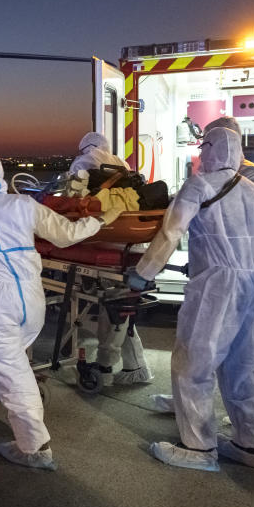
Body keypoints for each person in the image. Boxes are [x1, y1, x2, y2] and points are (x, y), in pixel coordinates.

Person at [0, 154, 125, 471]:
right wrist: (100, 220)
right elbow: (66, 234)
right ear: (4, 177)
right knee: (3, 361)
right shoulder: (23, 206)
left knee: (11, 372)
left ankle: (35, 447)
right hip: (31, 298)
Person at [128, 128, 254, 471]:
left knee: (193, 364)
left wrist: (144, 272)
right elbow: (242, 236)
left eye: (203, 147)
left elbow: (170, 232)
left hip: (218, 286)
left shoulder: (200, 185)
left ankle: (199, 448)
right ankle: (252, 447)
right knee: (241, 367)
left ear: (210, 150)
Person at [149, 116, 254, 430]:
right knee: (225, 348)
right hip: (237, 266)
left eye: (207, 145)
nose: (202, 155)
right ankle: (199, 410)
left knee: (238, 343)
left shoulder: (250, 176)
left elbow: (179, 230)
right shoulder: (237, 181)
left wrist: (146, 270)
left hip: (240, 265)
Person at [70, 132, 153, 386]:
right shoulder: (123, 165)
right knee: (121, 306)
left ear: (84, 147)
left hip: (103, 241)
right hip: (130, 242)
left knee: (114, 307)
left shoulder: (82, 164)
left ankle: (105, 367)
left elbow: (72, 201)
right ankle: (136, 366)